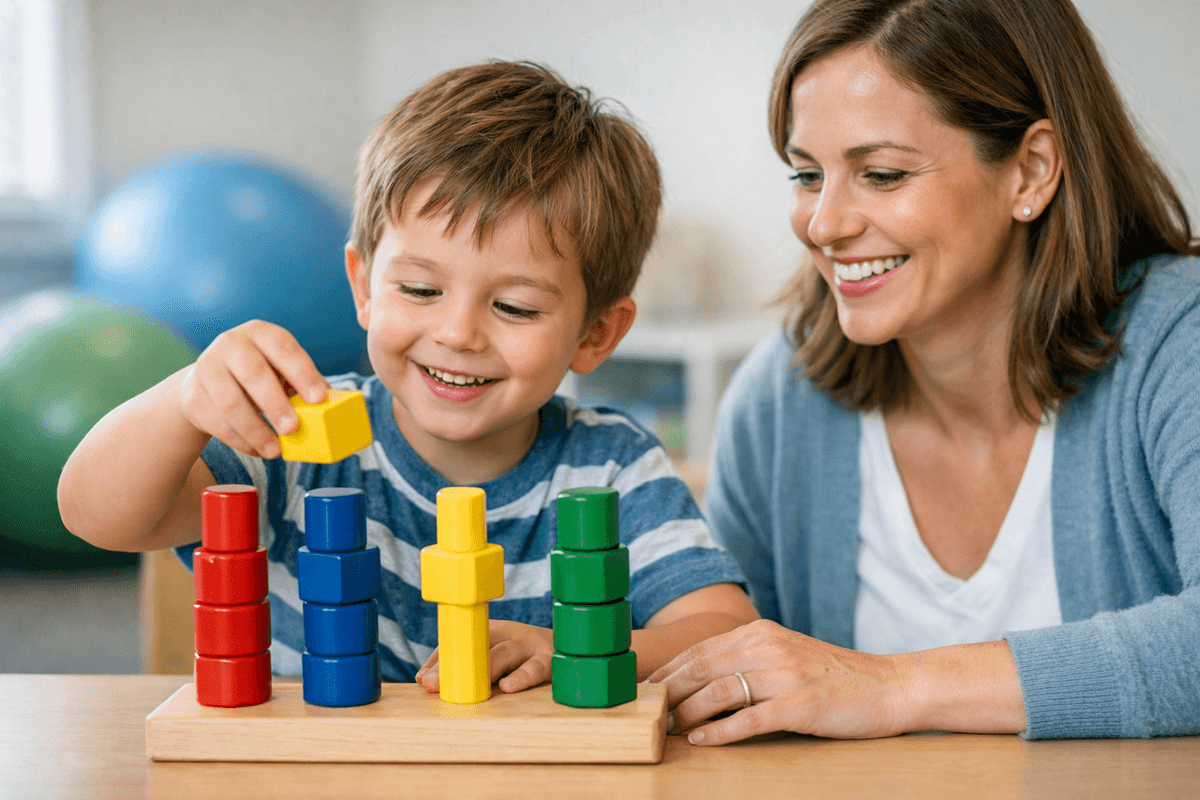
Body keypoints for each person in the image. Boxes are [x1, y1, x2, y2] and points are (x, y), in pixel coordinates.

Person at [58, 61, 757, 692]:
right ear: (363, 286)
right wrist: (183, 400)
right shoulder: (296, 441)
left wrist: (578, 648)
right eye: (421, 290)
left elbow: (728, 634)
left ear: (596, 333)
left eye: (515, 307)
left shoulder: (613, 468)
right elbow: (96, 515)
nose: (457, 333)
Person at [650, 0, 1200, 743]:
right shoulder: (778, 402)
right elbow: (721, 686)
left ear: (1031, 171)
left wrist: (890, 687)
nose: (824, 224)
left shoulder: (1178, 344)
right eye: (807, 174)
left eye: (881, 174)